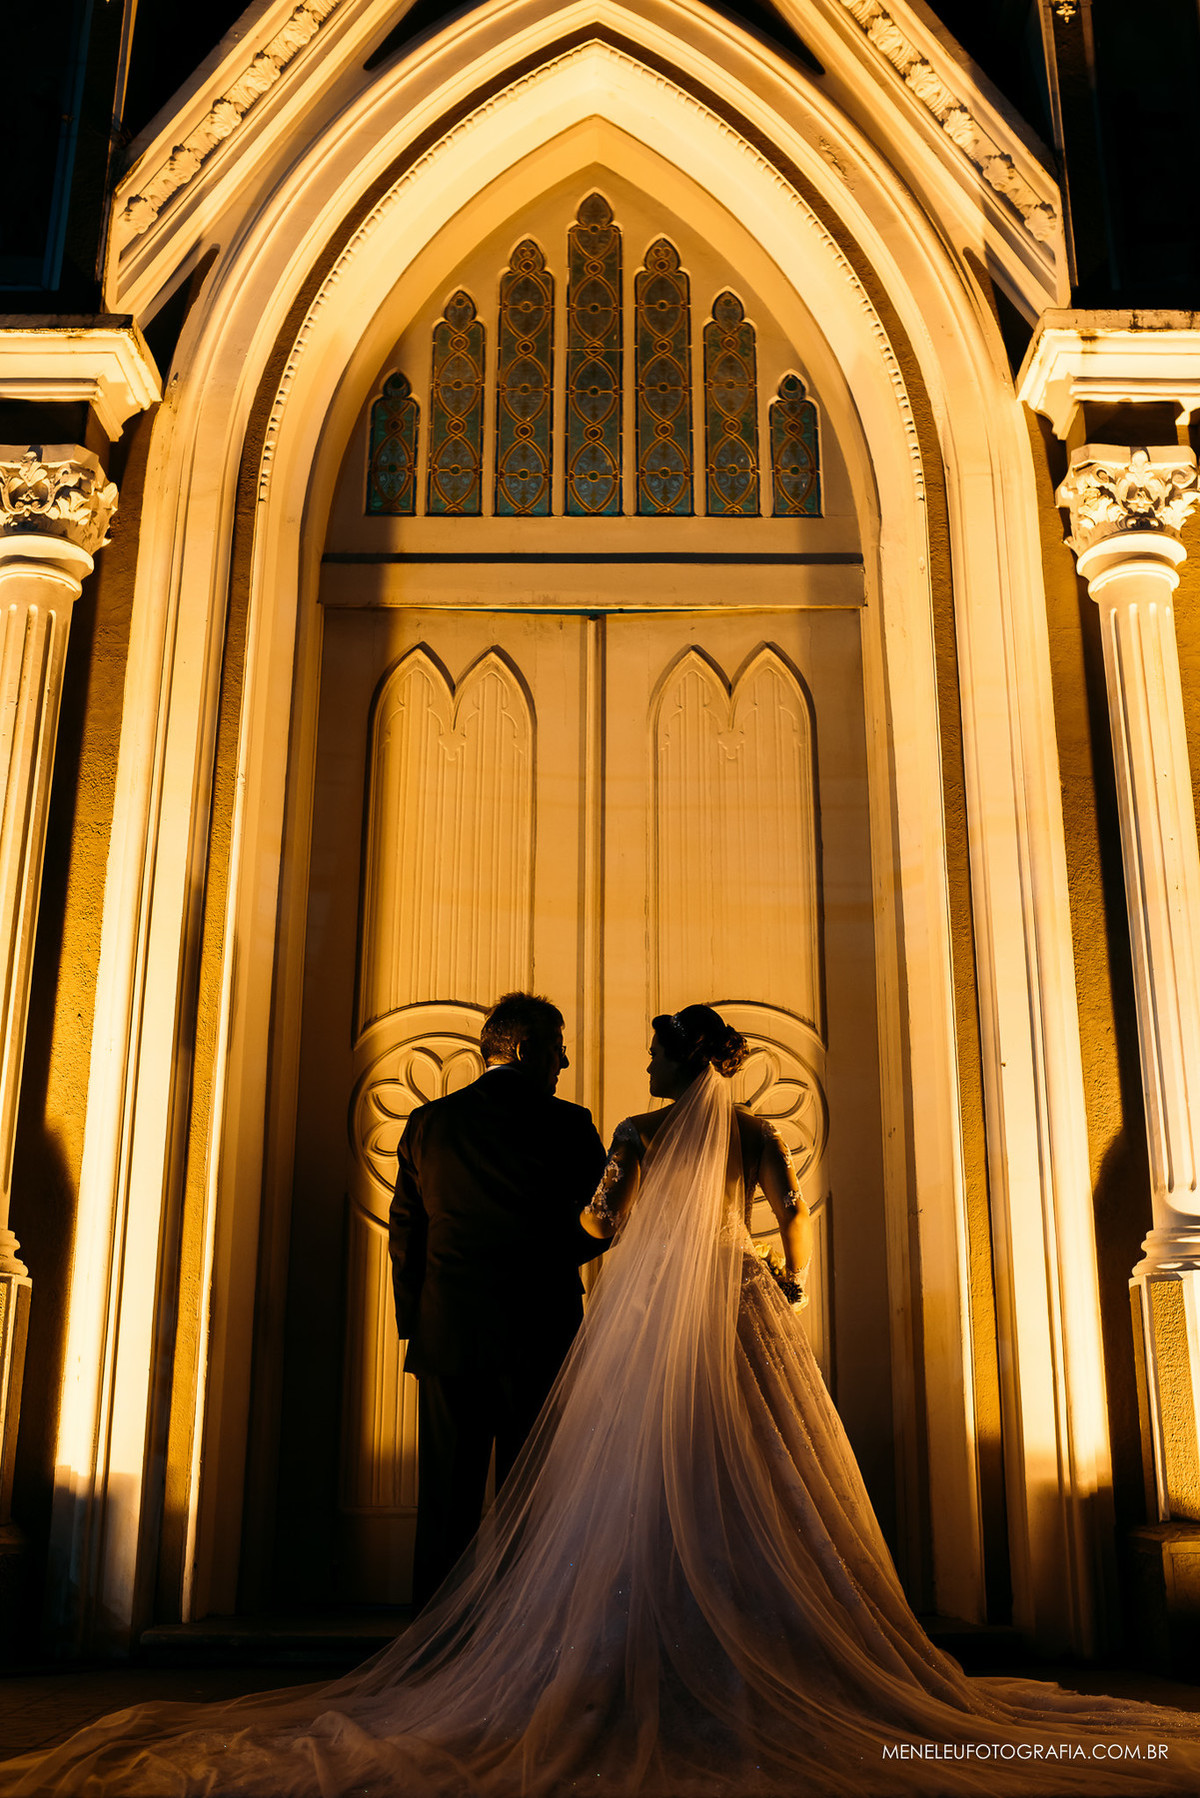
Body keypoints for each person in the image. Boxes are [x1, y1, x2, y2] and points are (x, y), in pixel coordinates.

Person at [3, 1003, 1200, 1795]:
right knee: (755, 1485)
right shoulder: (688, 1131)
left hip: (498, 1328)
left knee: (565, 1499)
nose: (612, 1065)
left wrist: (457, 1301)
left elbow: (566, 1224)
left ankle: (458, 1651)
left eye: (643, 1053)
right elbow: (780, 1234)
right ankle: (750, 1637)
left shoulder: (514, 1123)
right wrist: (764, 1277)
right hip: (718, 1316)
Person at [390, 990, 608, 1605]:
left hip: (449, 1337)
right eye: (559, 1051)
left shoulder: (429, 1123)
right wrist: (554, 1259)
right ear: (529, 1049)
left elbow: (407, 1232)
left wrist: (418, 1324)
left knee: (445, 1502)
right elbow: (604, 1219)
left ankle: (432, 1643)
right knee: (531, 1498)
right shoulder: (569, 1125)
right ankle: (523, 1636)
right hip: (540, 1332)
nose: (562, 1065)